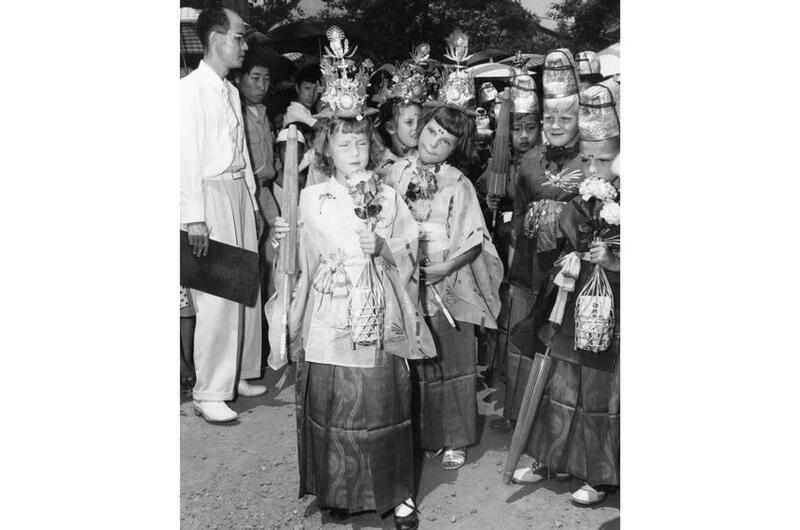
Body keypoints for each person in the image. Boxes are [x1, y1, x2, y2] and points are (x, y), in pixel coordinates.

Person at [266, 27, 433, 530]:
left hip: (378, 303)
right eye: (344, 143)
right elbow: (301, 256)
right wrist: (281, 240)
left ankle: (396, 492)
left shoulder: (389, 194)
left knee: (381, 398)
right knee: (336, 400)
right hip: (330, 305)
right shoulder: (311, 198)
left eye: (361, 141)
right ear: (327, 149)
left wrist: (384, 247)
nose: (355, 151)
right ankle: (340, 489)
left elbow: (411, 247)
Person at [386, 31, 502, 471]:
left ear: (457, 147)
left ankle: (453, 437)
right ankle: (419, 432)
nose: (435, 141)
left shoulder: (460, 183)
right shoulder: (393, 173)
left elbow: (474, 239)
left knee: (450, 359)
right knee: (413, 361)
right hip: (404, 273)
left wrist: (442, 269)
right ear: (421, 128)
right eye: (432, 130)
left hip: (447, 277)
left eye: (446, 139)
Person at [510, 83, 620, 507]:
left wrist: (613, 261)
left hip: (613, 308)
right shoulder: (582, 193)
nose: (594, 165)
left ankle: (599, 473)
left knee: (597, 388)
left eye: (604, 158)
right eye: (588, 157)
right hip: (571, 298)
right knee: (560, 378)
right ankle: (550, 457)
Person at [180, 6, 266, 424]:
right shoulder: (188, 91)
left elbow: (243, 155)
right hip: (209, 194)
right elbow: (184, 159)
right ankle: (209, 390)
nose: (244, 45)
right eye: (238, 37)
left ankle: (241, 373)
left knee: (245, 283)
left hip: (236, 191)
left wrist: (251, 200)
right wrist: (193, 217)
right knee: (216, 295)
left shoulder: (230, 89)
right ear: (216, 39)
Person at [501, 49, 586, 432]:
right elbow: (519, 213)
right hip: (530, 268)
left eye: (564, 118)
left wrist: (559, 216)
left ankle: (558, 431)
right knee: (527, 337)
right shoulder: (530, 160)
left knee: (563, 348)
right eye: (549, 117)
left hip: (571, 271)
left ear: (580, 120)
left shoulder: (590, 162)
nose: (554, 124)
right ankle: (525, 424)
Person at [472, 73, 541, 421]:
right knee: (501, 305)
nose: (524, 135)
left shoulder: (542, 164)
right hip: (502, 241)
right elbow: (484, 195)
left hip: (530, 246)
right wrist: (491, 200)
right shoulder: (499, 163)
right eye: (517, 129)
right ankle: (499, 369)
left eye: (531, 127)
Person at [236, 45, 281, 300]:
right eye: (255, 78)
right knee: (251, 259)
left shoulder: (263, 112)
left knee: (275, 254)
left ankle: (271, 320)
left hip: (267, 194)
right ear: (239, 79)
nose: (262, 85)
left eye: (266, 79)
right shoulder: (236, 113)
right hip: (247, 194)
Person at [373, 43, 431, 170]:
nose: (417, 128)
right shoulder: (378, 166)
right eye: (409, 122)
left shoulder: (430, 164)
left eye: (420, 121)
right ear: (390, 127)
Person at [282, 63, 321, 128]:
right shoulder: (294, 111)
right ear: (297, 88)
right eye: (307, 88)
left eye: (316, 89)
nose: (311, 94)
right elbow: (323, 128)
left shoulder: (306, 110)